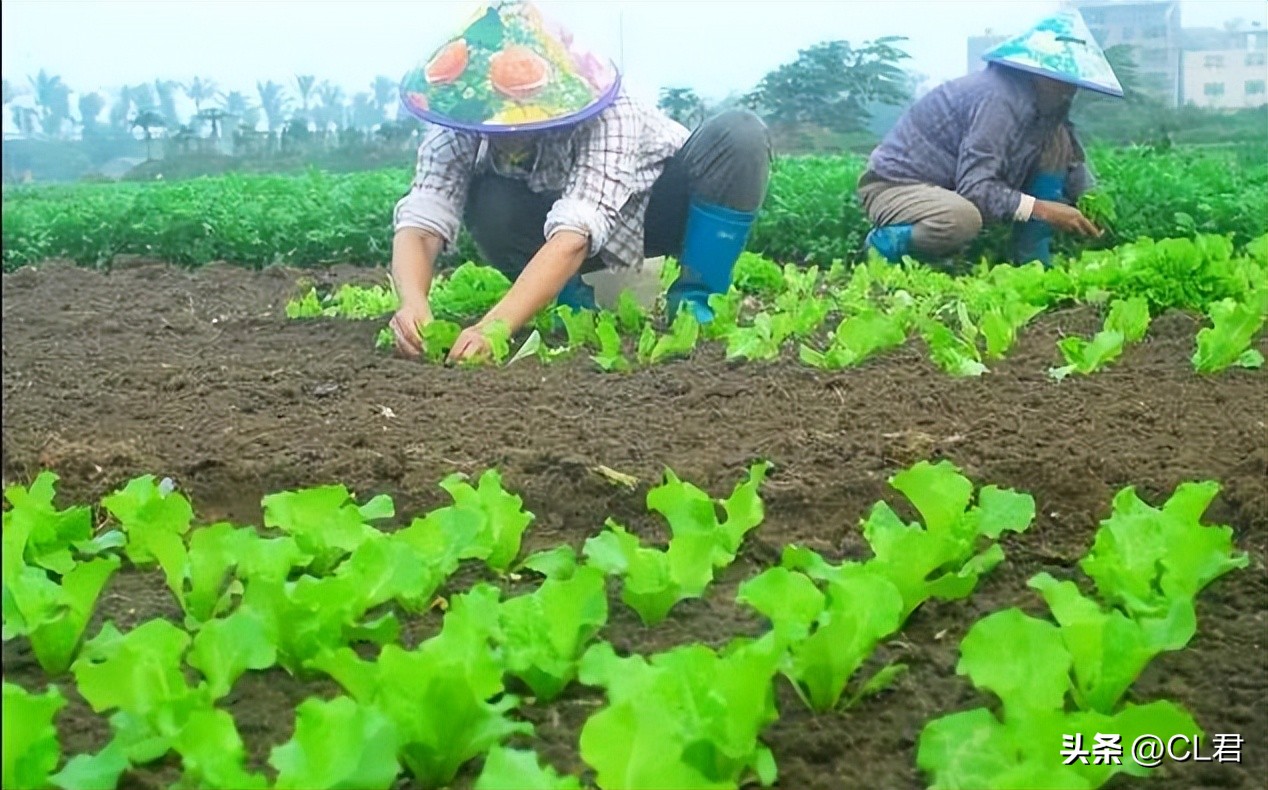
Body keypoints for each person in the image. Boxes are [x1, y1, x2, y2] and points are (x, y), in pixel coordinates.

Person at [388, 0, 772, 363]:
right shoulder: (462, 119)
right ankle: (570, 300)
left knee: (740, 134)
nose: (510, 128)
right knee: (490, 199)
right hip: (554, 226)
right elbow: (423, 216)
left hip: (653, 208)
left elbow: (576, 231)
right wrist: (413, 303)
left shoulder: (611, 111)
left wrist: (493, 328)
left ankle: (696, 302)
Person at [857, 9, 1121, 268]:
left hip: (949, 187)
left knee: (1058, 143)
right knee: (961, 219)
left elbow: (1073, 167)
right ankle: (884, 246)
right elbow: (976, 188)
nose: (1070, 90)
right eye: (1063, 80)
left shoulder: (1045, 108)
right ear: (1038, 73)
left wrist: (1093, 206)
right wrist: (1046, 210)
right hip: (897, 185)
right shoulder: (998, 101)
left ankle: (1031, 260)